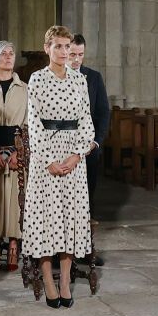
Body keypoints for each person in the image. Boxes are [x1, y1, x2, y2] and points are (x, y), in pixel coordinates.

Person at [24, 26, 95, 308]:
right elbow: (33, 123)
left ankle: (65, 280)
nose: (64, 52)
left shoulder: (80, 80)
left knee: (70, 218)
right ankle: (48, 280)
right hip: (46, 157)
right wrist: (48, 161)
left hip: (74, 156)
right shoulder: (37, 79)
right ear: (47, 48)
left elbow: (87, 120)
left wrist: (77, 155)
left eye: (68, 47)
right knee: (46, 219)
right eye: (58, 46)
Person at [0, 40, 27, 264]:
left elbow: (29, 123)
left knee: (13, 198)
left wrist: (18, 152)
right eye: (3, 54)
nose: (8, 57)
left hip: (16, 148)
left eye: (11, 53)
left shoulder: (25, 88)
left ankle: (13, 242)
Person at [68, 33, 110, 241]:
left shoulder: (93, 78)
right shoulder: (55, 77)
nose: (76, 59)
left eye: (81, 54)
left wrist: (96, 142)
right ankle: (61, 248)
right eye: (73, 54)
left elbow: (103, 112)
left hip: (88, 149)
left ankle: (85, 247)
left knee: (87, 198)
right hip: (62, 147)